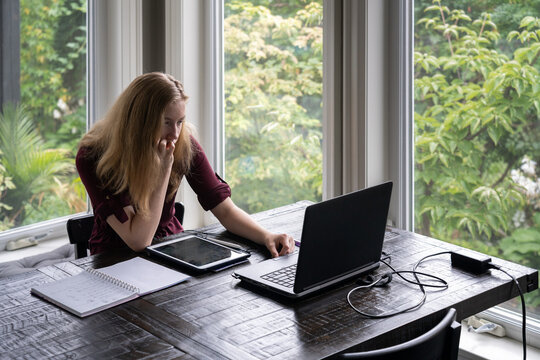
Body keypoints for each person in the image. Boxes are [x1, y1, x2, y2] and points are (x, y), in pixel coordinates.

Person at [76, 72, 295, 257]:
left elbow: (224, 209)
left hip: (171, 249)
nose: (175, 133)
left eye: (180, 121)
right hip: (114, 260)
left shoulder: (182, 144)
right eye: (166, 122)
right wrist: (163, 171)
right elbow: (138, 240)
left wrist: (267, 235)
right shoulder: (93, 157)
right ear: (139, 121)